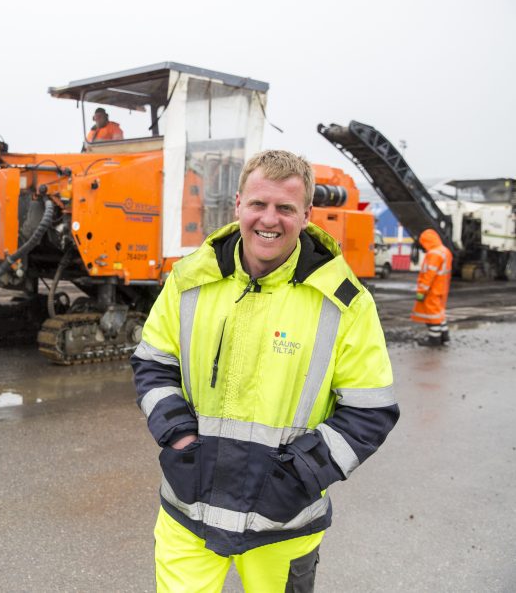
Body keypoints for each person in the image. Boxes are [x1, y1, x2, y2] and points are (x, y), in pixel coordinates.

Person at [131, 150, 399, 592]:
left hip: (284, 522)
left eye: (285, 208)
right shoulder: (188, 281)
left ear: (307, 215)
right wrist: (180, 437)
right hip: (188, 507)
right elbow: (153, 362)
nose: (268, 219)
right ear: (238, 204)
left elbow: (371, 411)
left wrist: (295, 477)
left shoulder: (344, 303)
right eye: (258, 204)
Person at [411, 228, 452, 346]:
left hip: (432, 290)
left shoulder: (434, 253)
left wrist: (422, 291)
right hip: (441, 288)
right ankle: (444, 336)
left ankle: (434, 339)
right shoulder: (444, 251)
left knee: (432, 315)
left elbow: (429, 274)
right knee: (439, 313)